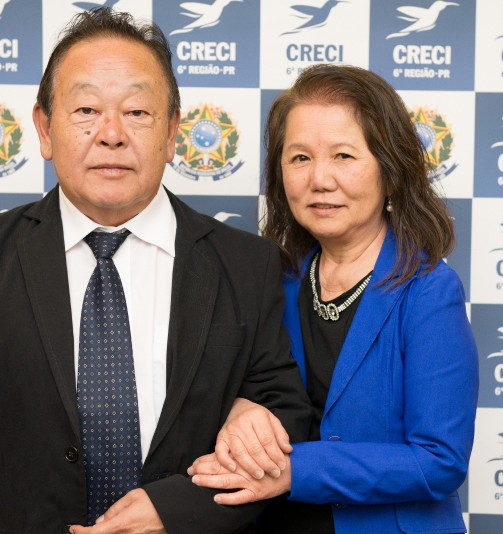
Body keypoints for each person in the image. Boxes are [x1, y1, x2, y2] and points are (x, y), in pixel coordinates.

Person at [0, 9, 311, 534]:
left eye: (137, 111)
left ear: (172, 131)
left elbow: (282, 420)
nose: (112, 134)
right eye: (86, 109)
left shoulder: (246, 263)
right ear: (44, 128)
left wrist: (179, 506)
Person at [188, 64, 479, 533]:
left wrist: (295, 471)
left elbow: (439, 460)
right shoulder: (268, 281)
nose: (319, 179)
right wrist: (242, 404)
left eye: (343, 156)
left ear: (390, 170)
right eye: (300, 158)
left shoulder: (428, 291)